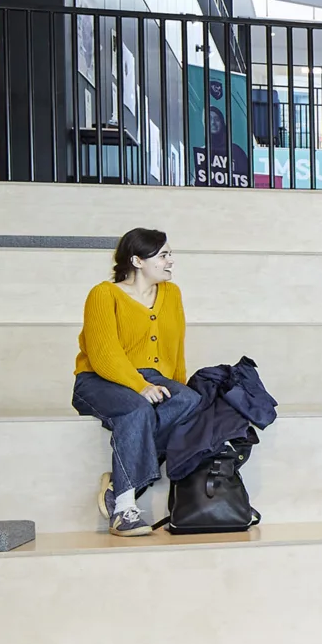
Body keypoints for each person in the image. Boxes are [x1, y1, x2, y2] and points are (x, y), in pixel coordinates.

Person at [73, 228, 203, 536]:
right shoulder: (103, 294)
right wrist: (139, 386)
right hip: (98, 380)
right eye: (163, 255)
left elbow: (176, 348)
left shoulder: (172, 294)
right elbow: (104, 353)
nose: (171, 261)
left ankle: (119, 483)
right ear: (137, 260)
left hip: (152, 377)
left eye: (170, 254)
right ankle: (124, 508)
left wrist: (177, 389)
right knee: (137, 410)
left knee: (189, 401)